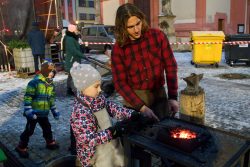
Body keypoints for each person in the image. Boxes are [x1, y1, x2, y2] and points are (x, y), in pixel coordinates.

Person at [111, 3, 179, 121]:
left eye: (138, 23)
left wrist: (173, 96)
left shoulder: (157, 36)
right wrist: (141, 107)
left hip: (159, 96)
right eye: (130, 27)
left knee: (162, 134)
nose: (137, 29)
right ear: (122, 27)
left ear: (142, 19)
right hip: (134, 98)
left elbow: (170, 66)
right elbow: (120, 83)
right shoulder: (119, 49)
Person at [70, 62, 143, 167]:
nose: (100, 90)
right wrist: (111, 132)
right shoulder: (80, 112)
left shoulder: (97, 98)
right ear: (83, 88)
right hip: (95, 156)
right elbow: (88, 140)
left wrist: (131, 114)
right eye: (96, 86)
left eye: (100, 85)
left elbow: (112, 108)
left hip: (111, 146)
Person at [15, 61, 60, 158]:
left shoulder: (51, 85)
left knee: (47, 127)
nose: (52, 74)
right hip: (33, 113)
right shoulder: (34, 83)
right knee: (29, 130)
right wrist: (28, 110)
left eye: (53, 73)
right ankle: (21, 146)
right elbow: (28, 97)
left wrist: (54, 110)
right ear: (44, 71)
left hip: (44, 113)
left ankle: (50, 142)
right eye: (50, 72)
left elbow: (51, 99)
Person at [64, 24, 85, 95]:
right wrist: (83, 56)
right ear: (72, 30)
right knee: (73, 74)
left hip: (74, 59)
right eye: (75, 29)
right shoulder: (70, 39)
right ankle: (72, 89)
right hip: (72, 60)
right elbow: (73, 50)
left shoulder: (72, 38)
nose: (77, 31)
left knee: (71, 75)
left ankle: (69, 89)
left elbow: (77, 48)